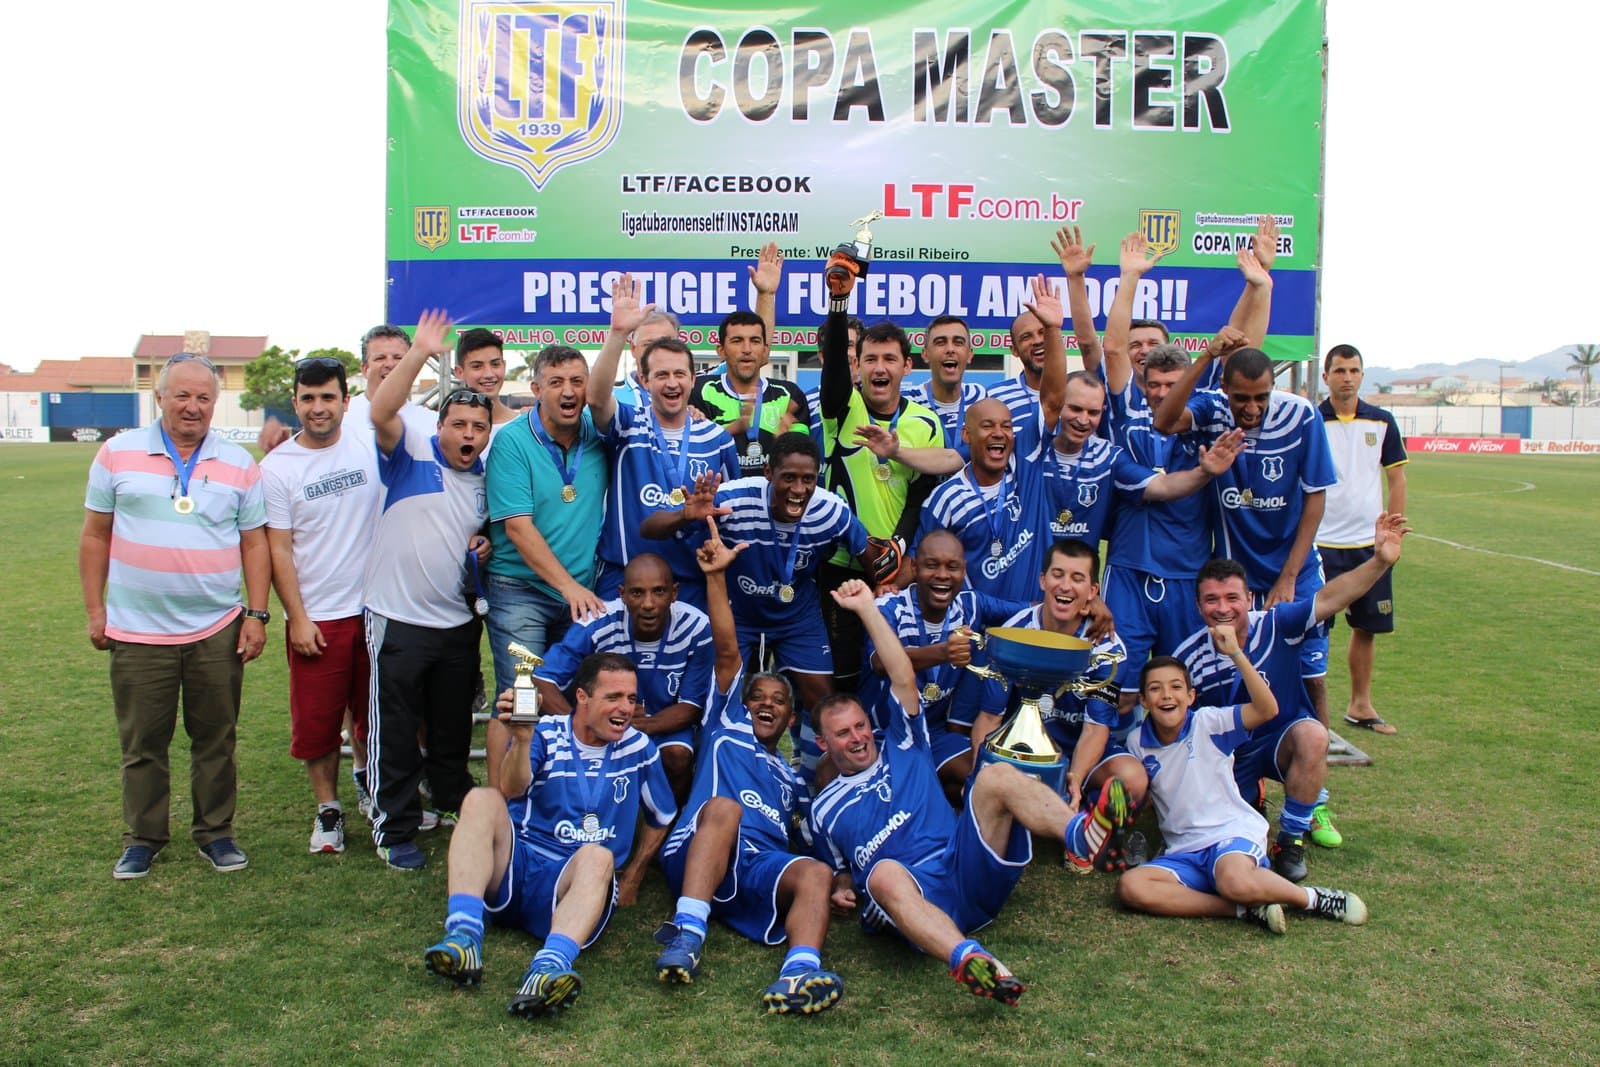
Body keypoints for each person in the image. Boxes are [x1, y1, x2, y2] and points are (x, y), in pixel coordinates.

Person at [808, 580, 1136, 1005]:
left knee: (994, 774)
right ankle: (972, 960)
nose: (857, 738)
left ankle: (1081, 834)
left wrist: (869, 609)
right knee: (883, 873)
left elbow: (903, 675)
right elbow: (837, 869)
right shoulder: (823, 809)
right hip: (918, 898)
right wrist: (840, 887)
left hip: (966, 864)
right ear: (823, 745)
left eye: (860, 725)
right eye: (842, 733)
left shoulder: (903, 743)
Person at [81, 352, 270, 879]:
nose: (193, 407)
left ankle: (217, 834)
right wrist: (96, 610)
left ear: (216, 402)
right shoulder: (116, 454)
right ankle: (143, 837)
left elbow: (255, 545)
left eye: (204, 397)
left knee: (216, 737)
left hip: (216, 626)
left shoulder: (237, 462)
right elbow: (96, 535)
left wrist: (256, 613)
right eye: (182, 396)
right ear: (159, 397)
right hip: (137, 629)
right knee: (143, 743)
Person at [652, 520, 845, 1014]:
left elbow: (818, 824)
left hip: (757, 866)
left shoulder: (791, 777)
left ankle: (799, 970)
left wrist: (843, 881)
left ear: (791, 716)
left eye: (777, 700)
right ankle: (688, 931)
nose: (765, 704)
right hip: (699, 847)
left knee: (816, 872)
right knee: (724, 808)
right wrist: (717, 577)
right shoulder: (725, 727)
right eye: (756, 697)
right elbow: (726, 650)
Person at [421, 653, 677, 1018]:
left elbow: (662, 816)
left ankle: (548, 969)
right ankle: (464, 937)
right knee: (481, 798)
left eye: (632, 699)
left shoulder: (639, 749)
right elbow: (510, 788)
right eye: (614, 697)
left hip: (570, 887)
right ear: (583, 697)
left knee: (598, 856)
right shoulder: (548, 732)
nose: (626, 709)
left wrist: (634, 875)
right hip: (517, 864)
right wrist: (523, 740)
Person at [1172, 513, 1411, 882]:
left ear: (1249, 598)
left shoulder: (1278, 623)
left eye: (1232, 598)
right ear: (1198, 606)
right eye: (1211, 600)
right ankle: (1250, 798)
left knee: (1314, 735)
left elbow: (1332, 597)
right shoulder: (1189, 656)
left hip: (1281, 740)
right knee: (1230, 822)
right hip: (1230, 756)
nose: (1223, 608)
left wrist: (1379, 560)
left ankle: (1290, 840)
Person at [639, 433, 884, 782]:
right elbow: (649, 529)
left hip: (796, 615)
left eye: (808, 479)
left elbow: (875, 562)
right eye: (789, 478)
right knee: (720, 702)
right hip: (739, 613)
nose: (799, 489)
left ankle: (816, 788)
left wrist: (889, 579)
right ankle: (716, 782)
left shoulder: (830, 511)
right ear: (769, 472)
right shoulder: (734, 497)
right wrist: (684, 515)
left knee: (822, 702)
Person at [1116, 635, 1368, 934]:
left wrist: (1235, 652)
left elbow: (1266, 709)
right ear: (1143, 700)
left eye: (1175, 687)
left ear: (1191, 696)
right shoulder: (1137, 742)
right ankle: (1241, 909)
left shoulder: (1209, 723)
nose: (1166, 696)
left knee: (1232, 880)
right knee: (1131, 887)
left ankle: (1313, 899)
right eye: (1155, 689)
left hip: (1229, 833)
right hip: (1183, 849)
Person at [361, 310, 493, 870]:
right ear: (440, 426)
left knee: (451, 729)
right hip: (397, 618)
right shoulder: (407, 456)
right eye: (458, 425)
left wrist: (483, 546)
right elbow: (380, 409)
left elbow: (480, 536)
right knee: (394, 729)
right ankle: (393, 826)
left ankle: (448, 799)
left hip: (458, 625)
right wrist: (418, 353)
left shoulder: (487, 479)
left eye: (477, 428)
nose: (467, 436)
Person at [260, 355, 383, 853]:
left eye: (327, 397)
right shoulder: (276, 468)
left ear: (345, 402)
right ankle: (328, 810)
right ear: (295, 403)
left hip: (377, 609)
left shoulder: (369, 444)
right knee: (317, 724)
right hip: (319, 617)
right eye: (308, 399)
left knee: (373, 717)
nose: (318, 407)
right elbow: (278, 548)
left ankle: (370, 787)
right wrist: (297, 617)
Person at [965, 539, 1145, 871]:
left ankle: (1087, 820)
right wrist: (980, 775)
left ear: (1093, 591)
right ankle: (1036, 815)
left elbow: (1095, 727)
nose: (1065, 585)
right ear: (1042, 580)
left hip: (1078, 747)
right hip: (1022, 750)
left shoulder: (1109, 649)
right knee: (970, 770)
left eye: (1077, 578)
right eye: (1057, 574)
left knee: (1131, 778)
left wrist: (1074, 774)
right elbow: (990, 716)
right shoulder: (1011, 632)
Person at [482, 343, 609, 786]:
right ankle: (500, 808)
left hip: (583, 589)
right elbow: (518, 528)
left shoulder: (599, 431)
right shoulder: (512, 442)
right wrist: (569, 587)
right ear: (536, 389)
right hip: (521, 589)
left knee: (579, 697)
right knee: (520, 698)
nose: (568, 391)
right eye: (556, 383)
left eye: (577, 381)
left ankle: (561, 795)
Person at [816, 252, 942, 690]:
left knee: (895, 673)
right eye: (869, 359)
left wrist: (899, 548)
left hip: (897, 568)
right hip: (840, 565)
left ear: (907, 366)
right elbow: (832, 367)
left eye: (890, 359)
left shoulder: (926, 423)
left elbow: (923, 493)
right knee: (845, 676)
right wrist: (839, 303)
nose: (879, 368)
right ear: (858, 366)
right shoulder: (841, 409)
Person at [590, 274, 740, 608]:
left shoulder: (716, 439)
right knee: (613, 662)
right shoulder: (628, 425)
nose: (670, 383)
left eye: (678, 374)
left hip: (691, 578)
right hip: (626, 576)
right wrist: (616, 334)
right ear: (643, 379)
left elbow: (731, 513)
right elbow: (597, 400)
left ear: (692, 379)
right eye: (660, 375)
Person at [859, 529, 1028, 801]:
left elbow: (1030, 612)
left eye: (952, 567)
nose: (942, 575)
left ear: (964, 570)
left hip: (933, 734)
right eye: (931, 565)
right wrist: (942, 652)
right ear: (913, 567)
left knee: (983, 780)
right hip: (882, 735)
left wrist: (1087, 604)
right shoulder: (888, 608)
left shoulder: (971, 606)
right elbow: (880, 663)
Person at [532, 553, 713, 802]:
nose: (648, 603)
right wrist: (580, 726)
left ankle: (669, 830)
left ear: (674, 593)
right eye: (637, 593)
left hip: (663, 724)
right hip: (603, 721)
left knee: (677, 756)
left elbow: (691, 706)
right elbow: (543, 680)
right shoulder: (596, 621)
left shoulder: (697, 628)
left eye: (659, 592)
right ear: (622, 593)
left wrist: (643, 725)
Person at [1317, 343, 1408, 737]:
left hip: (1365, 545)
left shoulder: (1382, 421)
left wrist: (1390, 529)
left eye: (1354, 370)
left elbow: (1397, 477)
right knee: (1311, 629)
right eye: (1339, 370)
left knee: (1366, 627)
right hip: (1318, 543)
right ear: (1326, 376)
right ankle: (1305, 707)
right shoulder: (1311, 419)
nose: (1347, 377)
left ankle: (1360, 704)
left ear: (1362, 375)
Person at [905, 315, 986, 460]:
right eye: (940, 343)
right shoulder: (907, 400)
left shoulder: (981, 397)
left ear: (969, 354)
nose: (950, 349)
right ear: (925, 354)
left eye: (958, 342)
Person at [452, 327, 520, 444]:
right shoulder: (445, 429)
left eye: (495, 364)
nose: (489, 374)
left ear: (504, 366)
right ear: (460, 372)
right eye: (477, 366)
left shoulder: (525, 426)